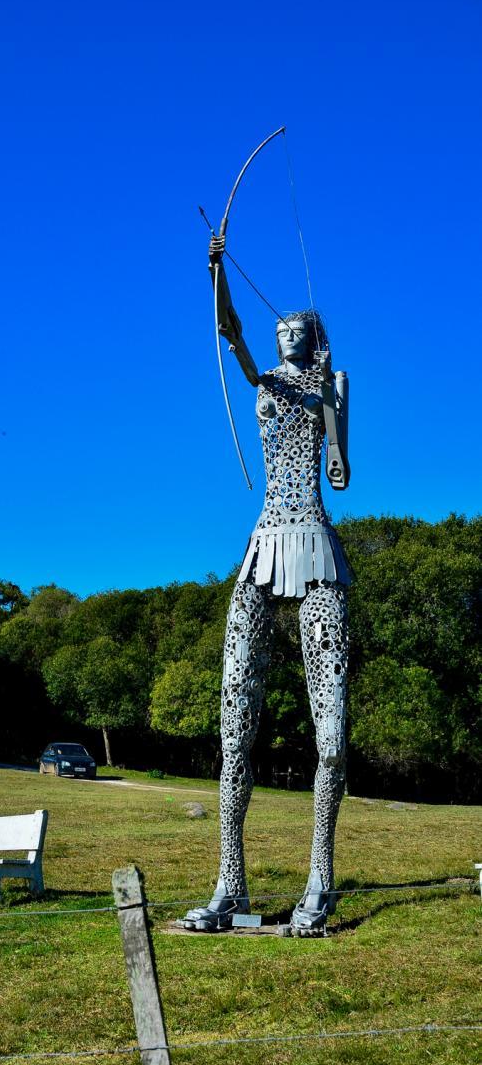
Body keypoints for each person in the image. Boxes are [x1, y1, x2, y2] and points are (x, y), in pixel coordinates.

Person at [181, 232, 351, 937]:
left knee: (332, 735)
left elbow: (339, 467)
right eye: (278, 330)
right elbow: (230, 331)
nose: (284, 338)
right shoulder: (265, 380)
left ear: (313, 340)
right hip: (260, 549)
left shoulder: (329, 384)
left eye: (294, 330)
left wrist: (328, 410)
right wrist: (216, 268)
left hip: (313, 547)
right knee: (232, 729)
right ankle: (229, 883)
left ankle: (320, 877)